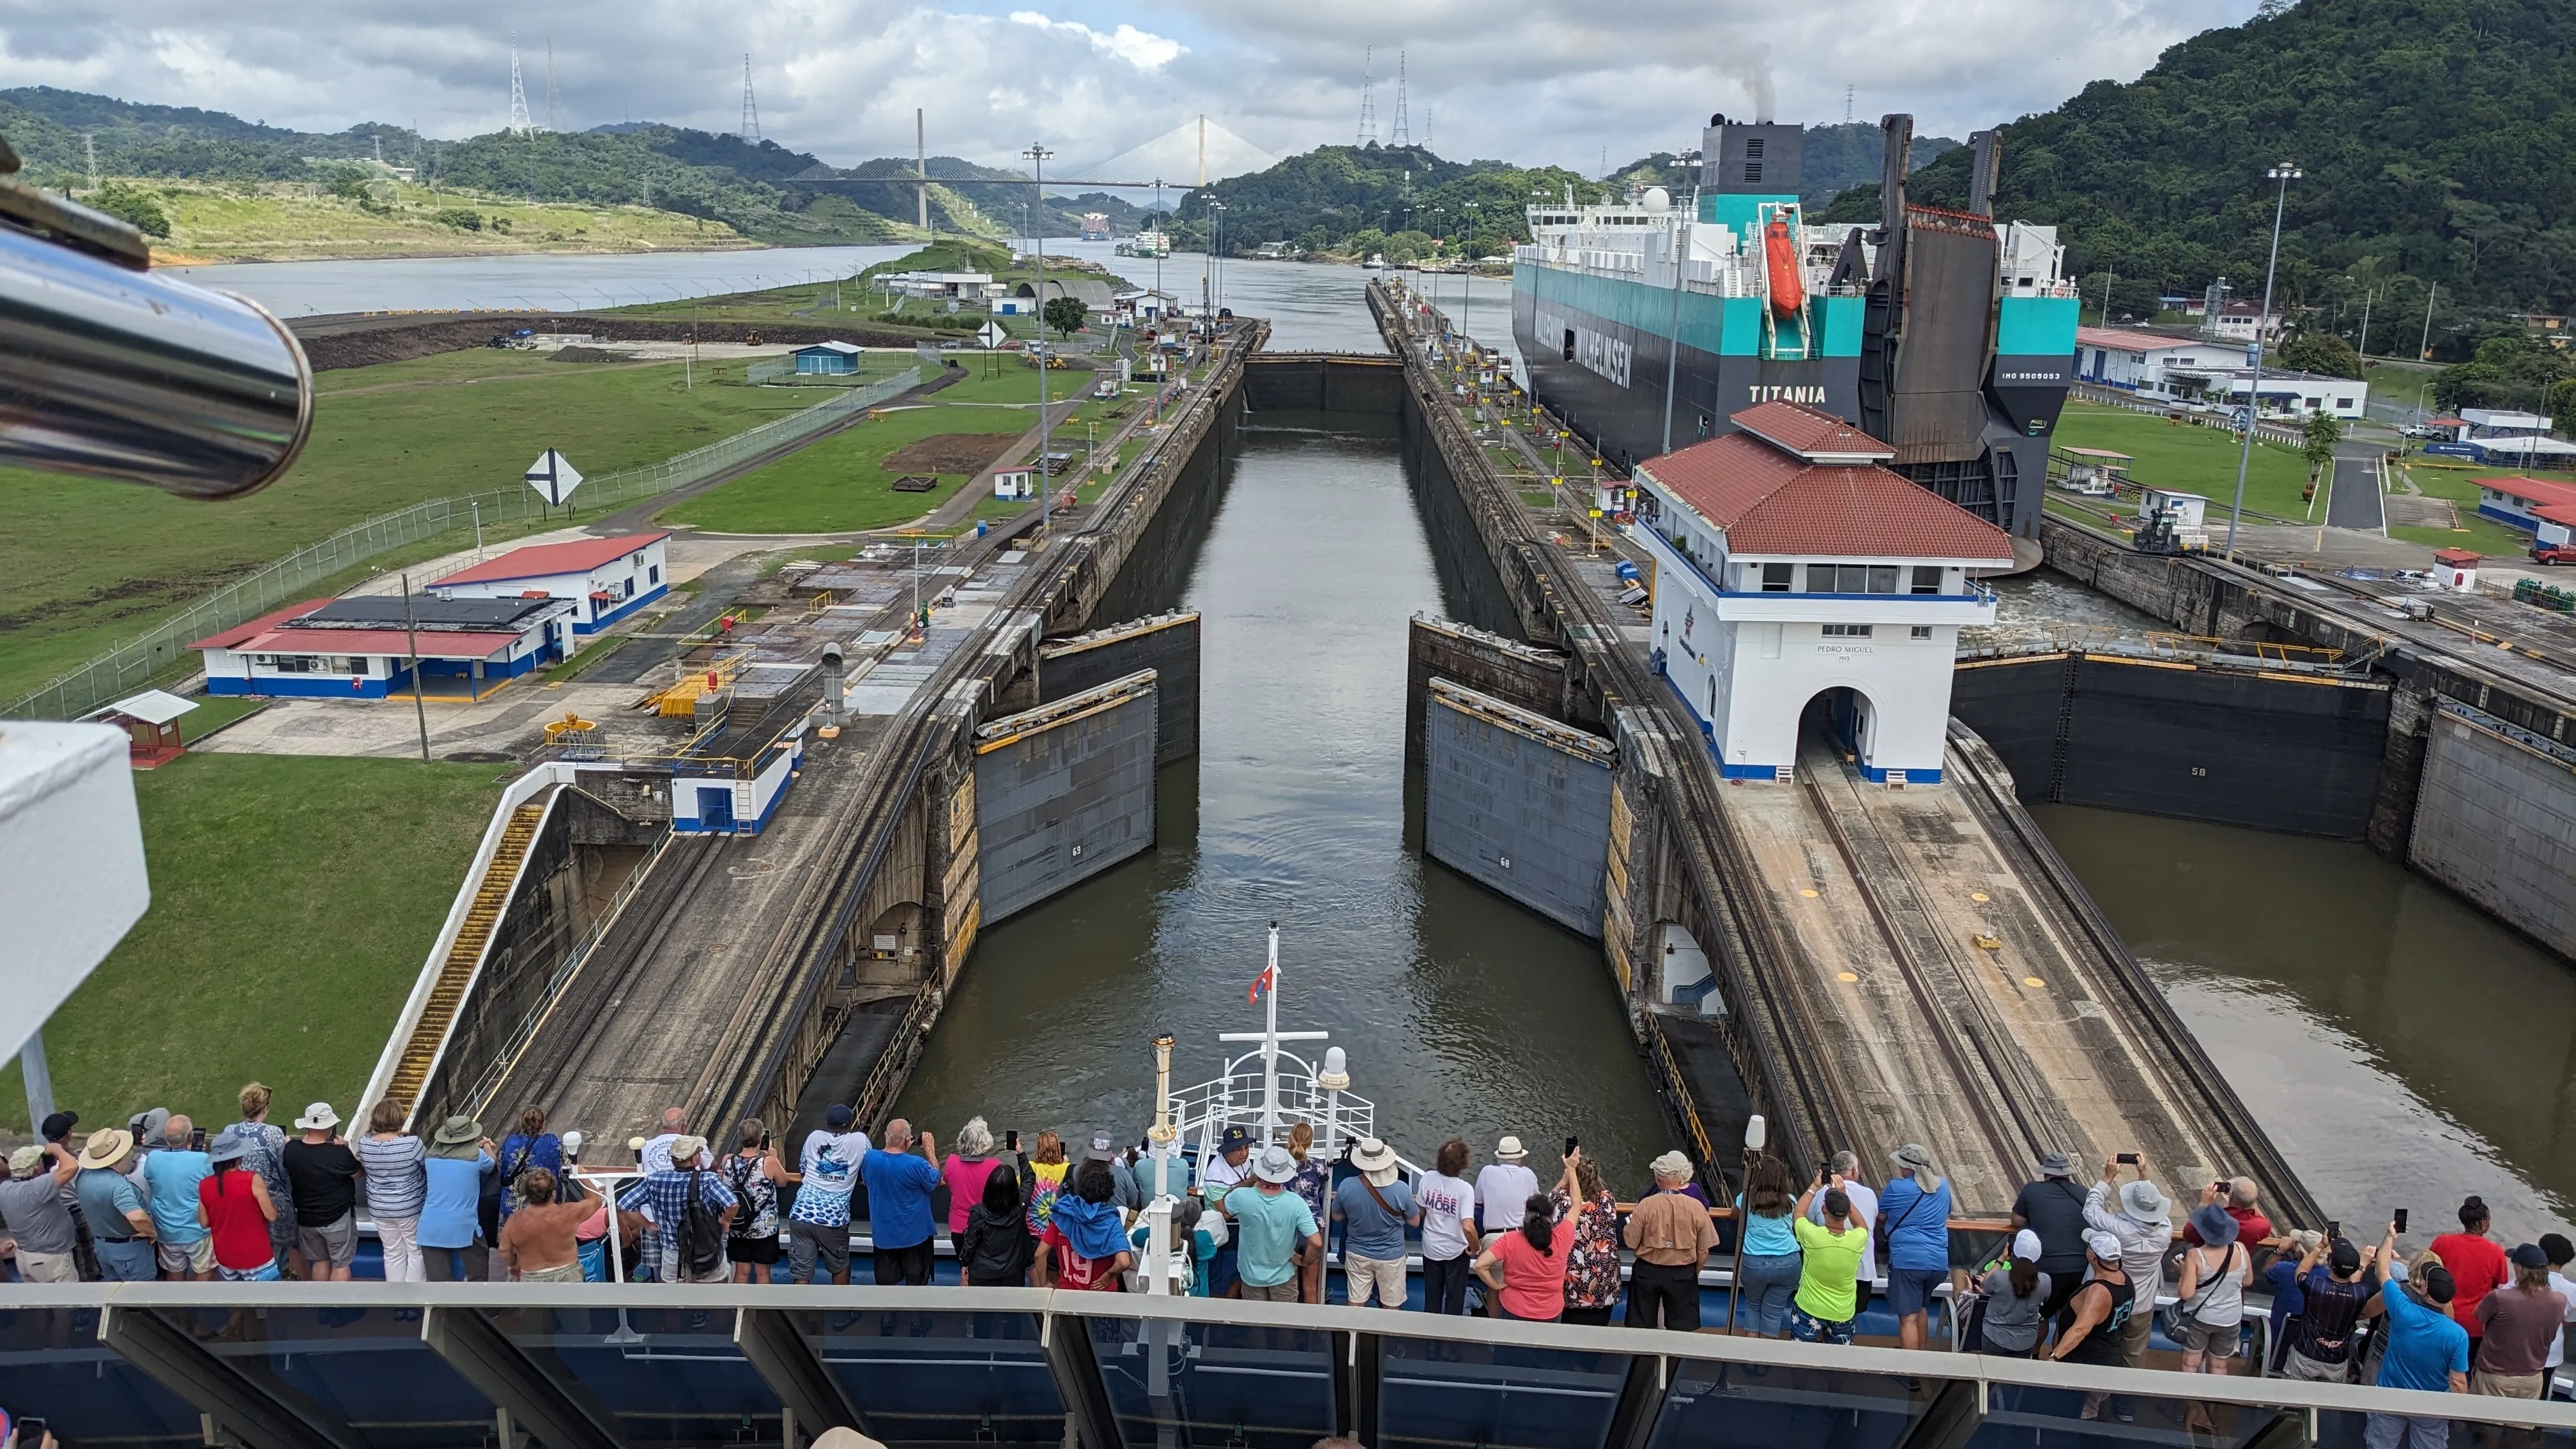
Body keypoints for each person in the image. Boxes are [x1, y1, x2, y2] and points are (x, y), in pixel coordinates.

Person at [2366, 1220, 2470, 1449]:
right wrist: (2460, 1414)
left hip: (2391, 1397)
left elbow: (2383, 1269)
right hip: (2431, 1405)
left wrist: (2390, 1236)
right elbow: (2457, 1381)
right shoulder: (2458, 1335)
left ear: (2424, 1289)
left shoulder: (2402, 1308)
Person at [2084, 1154, 2173, 1414]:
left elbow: (2090, 1210)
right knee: (2134, 1355)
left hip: (2111, 1300)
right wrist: (2144, 1175)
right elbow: (2158, 1213)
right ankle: (2125, 1407)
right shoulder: (2165, 1231)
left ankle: (2092, 1404)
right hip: (2142, 1303)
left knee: (2101, 1350)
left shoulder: (2119, 1229)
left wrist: (2108, 1177)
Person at [620, 1135, 736, 1283]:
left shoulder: (655, 1180)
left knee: (674, 1296)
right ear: (694, 1159)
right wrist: (725, 1223)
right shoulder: (709, 1180)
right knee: (715, 1290)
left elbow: (622, 1207)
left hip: (672, 1251)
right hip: (708, 1249)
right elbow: (733, 1204)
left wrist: (648, 1225)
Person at [1624, 1150, 1716, 1331]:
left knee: (1640, 1325)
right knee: (1681, 1328)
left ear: (1658, 1178)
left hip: (1648, 1270)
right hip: (1682, 1272)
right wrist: (1694, 1271)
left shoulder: (1646, 1205)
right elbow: (1704, 1249)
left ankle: (1642, 1357)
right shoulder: (1696, 1207)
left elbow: (1631, 1242)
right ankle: (1672, 1358)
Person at [2050, 1231, 2136, 1420]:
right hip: (2108, 1357)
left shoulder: (2100, 1291)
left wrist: (2054, 1358)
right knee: (2093, 1406)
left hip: (2086, 1365)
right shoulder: (2126, 1280)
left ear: (2092, 1256)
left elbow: (2081, 1330)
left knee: (2080, 1414)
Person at [1879, 1143, 1953, 1353]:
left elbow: (1882, 1215)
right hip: (1938, 1262)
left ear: (1908, 1168)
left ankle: (1912, 1371)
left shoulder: (1896, 1187)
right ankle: (1921, 1360)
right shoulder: (1944, 1186)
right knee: (1921, 1309)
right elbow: (1946, 1212)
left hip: (1909, 1261)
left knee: (1908, 1318)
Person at [1225, 1146, 1321, 1304]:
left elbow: (1226, 1201)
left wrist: (1250, 1180)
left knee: (1256, 1326)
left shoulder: (1241, 1197)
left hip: (1251, 1276)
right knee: (1285, 1324)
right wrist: (1305, 1261)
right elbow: (1316, 1242)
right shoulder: (1296, 1203)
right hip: (1284, 1276)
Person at [786, 1105, 870, 1286]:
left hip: (801, 1213)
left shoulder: (814, 1137)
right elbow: (869, 1169)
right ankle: (839, 1309)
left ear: (828, 1123)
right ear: (850, 1123)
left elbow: (803, 1170)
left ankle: (800, 1313)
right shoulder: (860, 1140)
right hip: (833, 1218)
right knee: (839, 1265)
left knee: (802, 1271)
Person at [2280, 1232, 2380, 1383]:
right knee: (2326, 1401)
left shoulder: (2315, 1286)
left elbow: (2300, 1272)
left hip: (2306, 1355)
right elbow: (2351, 1286)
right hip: (2336, 1361)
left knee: (2294, 1397)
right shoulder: (2360, 1293)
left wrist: (2320, 1246)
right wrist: (2363, 1264)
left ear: (2330, 1263)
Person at [2471, 1244, 2566, 1399]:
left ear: (2521, 1270)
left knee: (2486, 1422)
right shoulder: (2559, 1301)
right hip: (2532, 1378)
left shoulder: (2499, 1298)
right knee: (2521, 1423)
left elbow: (2478, 1314)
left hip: (2495, 1378)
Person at [281, 1102, 361, 1282]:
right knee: (340, 1264)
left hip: (307, 1218)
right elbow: (358, 1173)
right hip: (337, 1217)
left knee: (320, 1262)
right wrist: (345, 1149)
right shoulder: (337, 1154)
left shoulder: (291, 1149)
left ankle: (321, 1306)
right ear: (329, 1126)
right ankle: (337, 1308)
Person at [224, 1084, 298, 1280]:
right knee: (280, 1246)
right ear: (265, 1108)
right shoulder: (274, 1133)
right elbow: (284, 1171)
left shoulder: (230, 1130)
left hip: (237, 1201)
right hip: (271, 1201)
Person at [1333, 1137, 1415, 1309]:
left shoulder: (1347, 1186)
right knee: (1391, 1305)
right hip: (1391, 1256)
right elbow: (1415, 1222)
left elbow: (1337, 1216)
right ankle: (1386, 1335)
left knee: (1356, 1302)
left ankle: (1352, 1335)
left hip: (1357, 1253)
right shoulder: (1401, 1188)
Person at [1788, 1165, 1866, 1345]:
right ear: (1847, 1214)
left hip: (1809, 1308)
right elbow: (1862, 1225)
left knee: (1800, 1359)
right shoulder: (1857, 1240)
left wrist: (1814, 1187)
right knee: (1838, 1362)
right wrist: (1844, 1195)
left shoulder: (1812, 1236)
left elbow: (1798, 1213)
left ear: (1824, 1210)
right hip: (1843, 1312)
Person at [415, 1116, 497, 1282]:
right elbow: (491, 1165)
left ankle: (443, 1308)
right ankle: (477, 1307)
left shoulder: (430, 1157)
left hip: (431, 1228)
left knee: (439, 1286)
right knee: (478, 1277)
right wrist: (487, 1145)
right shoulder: (478, 1157)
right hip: (464, 1226)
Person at [2010, 1151, 2091, 1319]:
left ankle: (2035, 1346)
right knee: (2065, 1320)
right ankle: (2061, 1346)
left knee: (2039, 1317)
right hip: (2081, 1268)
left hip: (2047, 1267)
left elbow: (2016, 1221)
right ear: (2068, 1174)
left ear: (2046, 1173)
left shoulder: (2032, 1189)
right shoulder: (2084, 1193)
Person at [862, 1119, 942, 1285]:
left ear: (886, 1136)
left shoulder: (869, 1159)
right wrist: (930, 1151)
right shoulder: (917, 1164)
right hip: (915, 1236)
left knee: (886, 1286)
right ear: (908, 1141)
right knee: (917, 1283)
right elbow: (934, 1180)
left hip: (883, 1236)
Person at [357, 1098, 428, 1282]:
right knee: (416, 1251)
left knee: (392, 1252)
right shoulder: (412, 1144)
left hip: (379, 1209)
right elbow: (427, 1168)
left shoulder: (365, 1144)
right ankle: (413, 1301)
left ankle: (397, 1301)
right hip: (409, 1207)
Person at [1475, 1191, 1575, 1322]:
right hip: (1550, 1311)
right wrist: (1572, 1173)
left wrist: (1496, 1285)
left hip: (1514, 1309)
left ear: (1527, 1213)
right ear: (1552, 1215)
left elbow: (1480, 1266)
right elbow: (1576, 1205)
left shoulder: (1510, 1240)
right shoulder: (1562, 1236)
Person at [196, 1129, 280, 1281]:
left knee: (236, 1302)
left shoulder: (204, 1185)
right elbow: (271, 1215)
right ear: (238, 1157)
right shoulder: (252, 1179)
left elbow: (204, 1222)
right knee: (271, 1301)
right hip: (256, 1256)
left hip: (226, 1257)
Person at [2434, 1196, 2510, 1363]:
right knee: (2464, 1369)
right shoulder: (2495, 1252)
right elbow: (2498, 1284)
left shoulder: (2442, 1243)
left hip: (2440, 1318)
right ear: (2483, 1223)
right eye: (2489, 1219)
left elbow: (2428, 1272)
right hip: (2474, 1326)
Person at [1733, 1153, 1802, 1337]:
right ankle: (1766, 1357)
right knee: (1774, 1311)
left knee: (1753, 1305)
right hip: (1788, 1261)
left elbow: (1735, 1214)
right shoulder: (1790, 1201)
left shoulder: (1746, 1198)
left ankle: (1751, 1353)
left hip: (1754, 1262)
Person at [75, 1129, 157, 1282]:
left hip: (102, 1246)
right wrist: (152, 1232)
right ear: (118, 1158)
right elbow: (137, 1218)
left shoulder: (83, 1176)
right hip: (129, 1251)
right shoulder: (118, 1185)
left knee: (114, 1293)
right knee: (143, 1296)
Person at [1039, 1160, 1133, 1292]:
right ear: (1108, 1193)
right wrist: (1108, 1275)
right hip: (1102, 1296)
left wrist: (1044, 1284)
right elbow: (1124, 1262)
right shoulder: (1111, 1222)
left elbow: (1040, 1254)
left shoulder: (1063, 1216)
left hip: (1069, 1294)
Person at [1554, 1148, 1621, 1326]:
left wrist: (1567, 1173)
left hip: (1574, 1272)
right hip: (1604, 1271)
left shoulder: (1562, 1199)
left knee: (1569, 1327)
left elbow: (1551, 1199)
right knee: (1598, 1328)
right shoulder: (1608, 1198)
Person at [723, 1118, 795, 1284]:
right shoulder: (768, 1162)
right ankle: (761, 1307)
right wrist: (774, 1157)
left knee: (741, 1271)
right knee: (763, 1272)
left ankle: (741, 1307)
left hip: (738, 1222)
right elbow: (783, 1182)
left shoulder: (728, 1160)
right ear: (761, 1139)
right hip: (764, 1227)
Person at [143, 1115, 214, 1281]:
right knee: (204, 1271)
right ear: (190, 1136)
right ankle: (200, 1306)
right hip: (197, 1230)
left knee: (174, 1274)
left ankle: (176, 1306)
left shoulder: (153, 1158)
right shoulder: (203, 1159)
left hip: (167, 1231)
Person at [1414, 1139, 1480, 1315]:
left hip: (1431, 1248)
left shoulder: (1427, 1178)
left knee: (1432, 1296)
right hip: (1456, 1252)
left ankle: (1431, 1334)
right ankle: (1451, 1335)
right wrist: (1475, 1249)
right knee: (1455, 1298)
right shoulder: (1465, 1189)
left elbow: (1421, 1210)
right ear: (1463, 1164)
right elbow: (1468, 1227)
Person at [1808, 1150, 1880, 1305]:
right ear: (1855, 1171)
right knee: (1851, 1315)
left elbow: (1808, 1220)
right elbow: (1869, 1224)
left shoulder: (1821, 1193)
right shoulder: (1869, 1194)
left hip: (1827, 1267)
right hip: (1860, 1270)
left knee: (1823, 1312)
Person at [0, 1142, 79, 1282]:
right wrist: (57, 1149)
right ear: (37, 1168)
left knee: (39, 1301)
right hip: (52, 1260)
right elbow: (71, 1167)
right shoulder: (37, 1187)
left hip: (25, 1257)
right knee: (68, 1301)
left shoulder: (4, 1188)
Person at [497, 1169, 593, 1282]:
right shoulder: (569, 1212)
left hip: (532, 1277)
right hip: (568, 1275)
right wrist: (581, 1174)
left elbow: (504, 1250)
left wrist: (514, 1265)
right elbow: (596, 1200)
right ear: (553, 1193)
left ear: (527, 1193)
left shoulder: (514, 1221)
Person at [1976, 1230, 2053, 1358]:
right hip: (2026, 1341)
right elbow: (2045, 1296)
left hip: (1995, 1336)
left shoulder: (1999, 1278)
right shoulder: (2045, 1281)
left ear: (2013, 1250)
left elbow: (1985, 1283)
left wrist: (2001, 1259)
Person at [958, 1162, 1036, 1287]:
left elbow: (970, 1244)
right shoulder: (1020, 1209)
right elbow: (1029, 1179)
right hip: (1013, 1272)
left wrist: (964, 1264)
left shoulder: (978, 1213)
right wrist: (1020, 1154)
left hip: (983, 1273)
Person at [1193, 1126, 1249, 1297]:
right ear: (1226, 1151)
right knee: (1222, 1278)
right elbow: (1224, 1213)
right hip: (1226, 1232)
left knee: (1238, 1272)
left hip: (1242, 1227)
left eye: (1246, 1148)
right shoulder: (1215, 1174)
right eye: (1238, 1149)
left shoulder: (1243, 1162)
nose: (1244, 1153)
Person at [1285, 1123, 1331, 1303]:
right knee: (1311, 1287)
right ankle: (1312, 1328)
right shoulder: (1319, 1167)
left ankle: (1287, 1328)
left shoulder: (1282, 1165)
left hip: (1288, 1227)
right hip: (1313, 1228)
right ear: (1310, 1142)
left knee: (1287, 1285)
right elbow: (1323, 1183)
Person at [496, 1105, 562, 1225]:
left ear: (522, 1124)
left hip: (513, 1212)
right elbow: (564, 1166)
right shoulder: (552, 1142)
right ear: (543, 1124)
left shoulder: (511, 1142)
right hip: (543, 1210)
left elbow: (501, 1170)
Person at [942, 1118, 1004, 1239]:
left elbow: (947, 1181)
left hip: (958, 1227)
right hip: (985, 1225)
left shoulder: (952, 1162)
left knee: (961, 1257)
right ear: (985, 1143)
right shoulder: (995, 1166)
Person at [2184, 1176, 2274, 1253]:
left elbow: (2188, 1234)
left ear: (2231, 1195)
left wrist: (2204, 1203)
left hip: (2205, 1267)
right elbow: (2264, 1221)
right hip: (2233, 1269)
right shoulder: (2258, 1226)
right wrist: (2250, 1199)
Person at [1475, 1137, 1539, 1234]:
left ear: (1499, 1158)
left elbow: (1478, 1202)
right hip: (1520, 1235)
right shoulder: (1528, 1174)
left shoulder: (1487, 1171)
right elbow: (1538, 1203)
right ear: (1520, 1158)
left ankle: (1480, 1241)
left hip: (1493, 1237)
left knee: (1478, 1208)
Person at [2540, 1234, 2576, 1386]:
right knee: (2543, 1387)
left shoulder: (2523, 1280)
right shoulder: (2573, 1290)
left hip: (2519, 1350)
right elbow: (2569, 1321)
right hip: (2551, 1351)